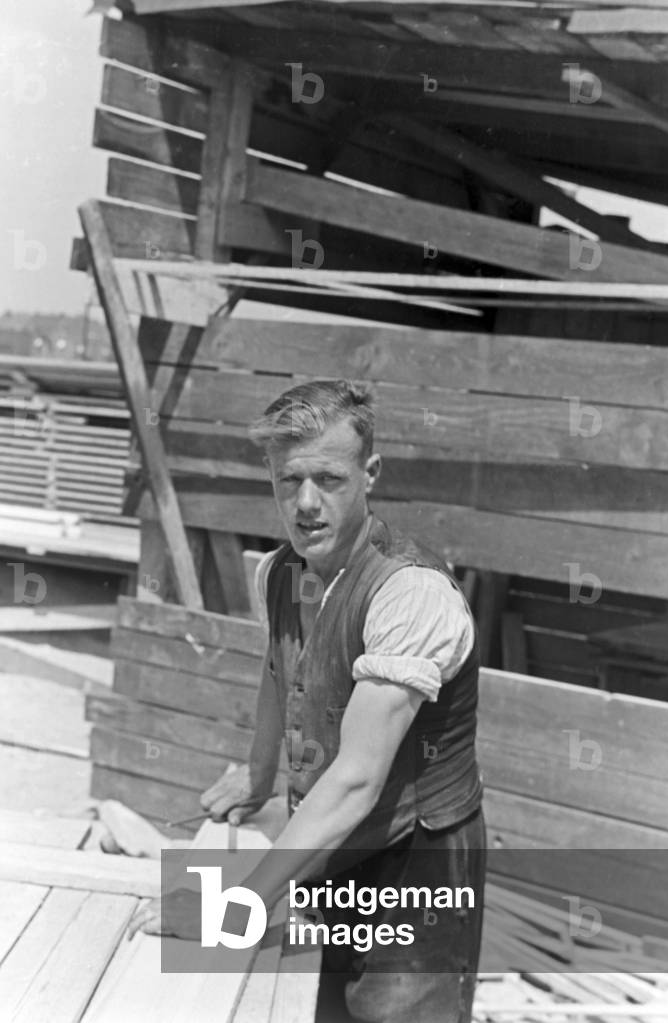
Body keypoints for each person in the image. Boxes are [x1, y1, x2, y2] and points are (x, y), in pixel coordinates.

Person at [133, 379, 486, 1022]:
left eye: (328, 479)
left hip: (416, 861)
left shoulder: (410, 594)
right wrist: (259, 774)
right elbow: (282, 673)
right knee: (318, 1006)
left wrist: (234, 911)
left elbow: (356, 779)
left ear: (369, 473)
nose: (305, 503)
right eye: (288, 480)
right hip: (334, 849)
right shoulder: (280, 572)